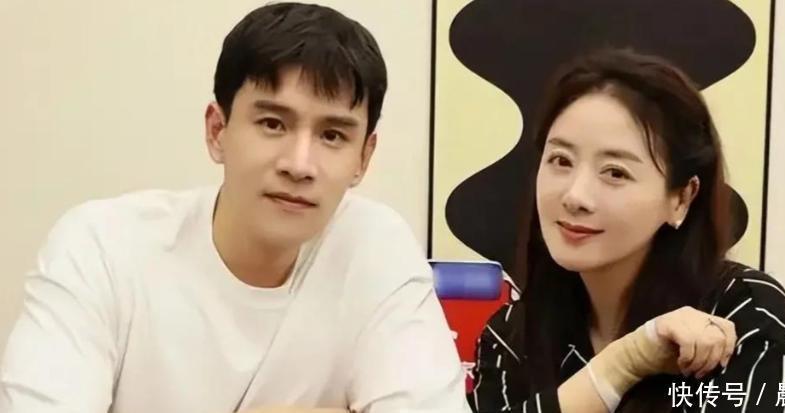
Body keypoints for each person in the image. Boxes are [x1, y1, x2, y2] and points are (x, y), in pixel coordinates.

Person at [0, 3, 469, 413]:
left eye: (332, 135)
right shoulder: (101, 247)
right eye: (272, 123)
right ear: (217, 130)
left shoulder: (376, 247)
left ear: (363, 157)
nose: (299, 165)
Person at [470, 49, 785, 412]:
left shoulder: (741, 310)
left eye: (615, 172)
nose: (575, 196)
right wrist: (624, 363)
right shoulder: (510, 336)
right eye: (561, 160)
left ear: (681, 198)